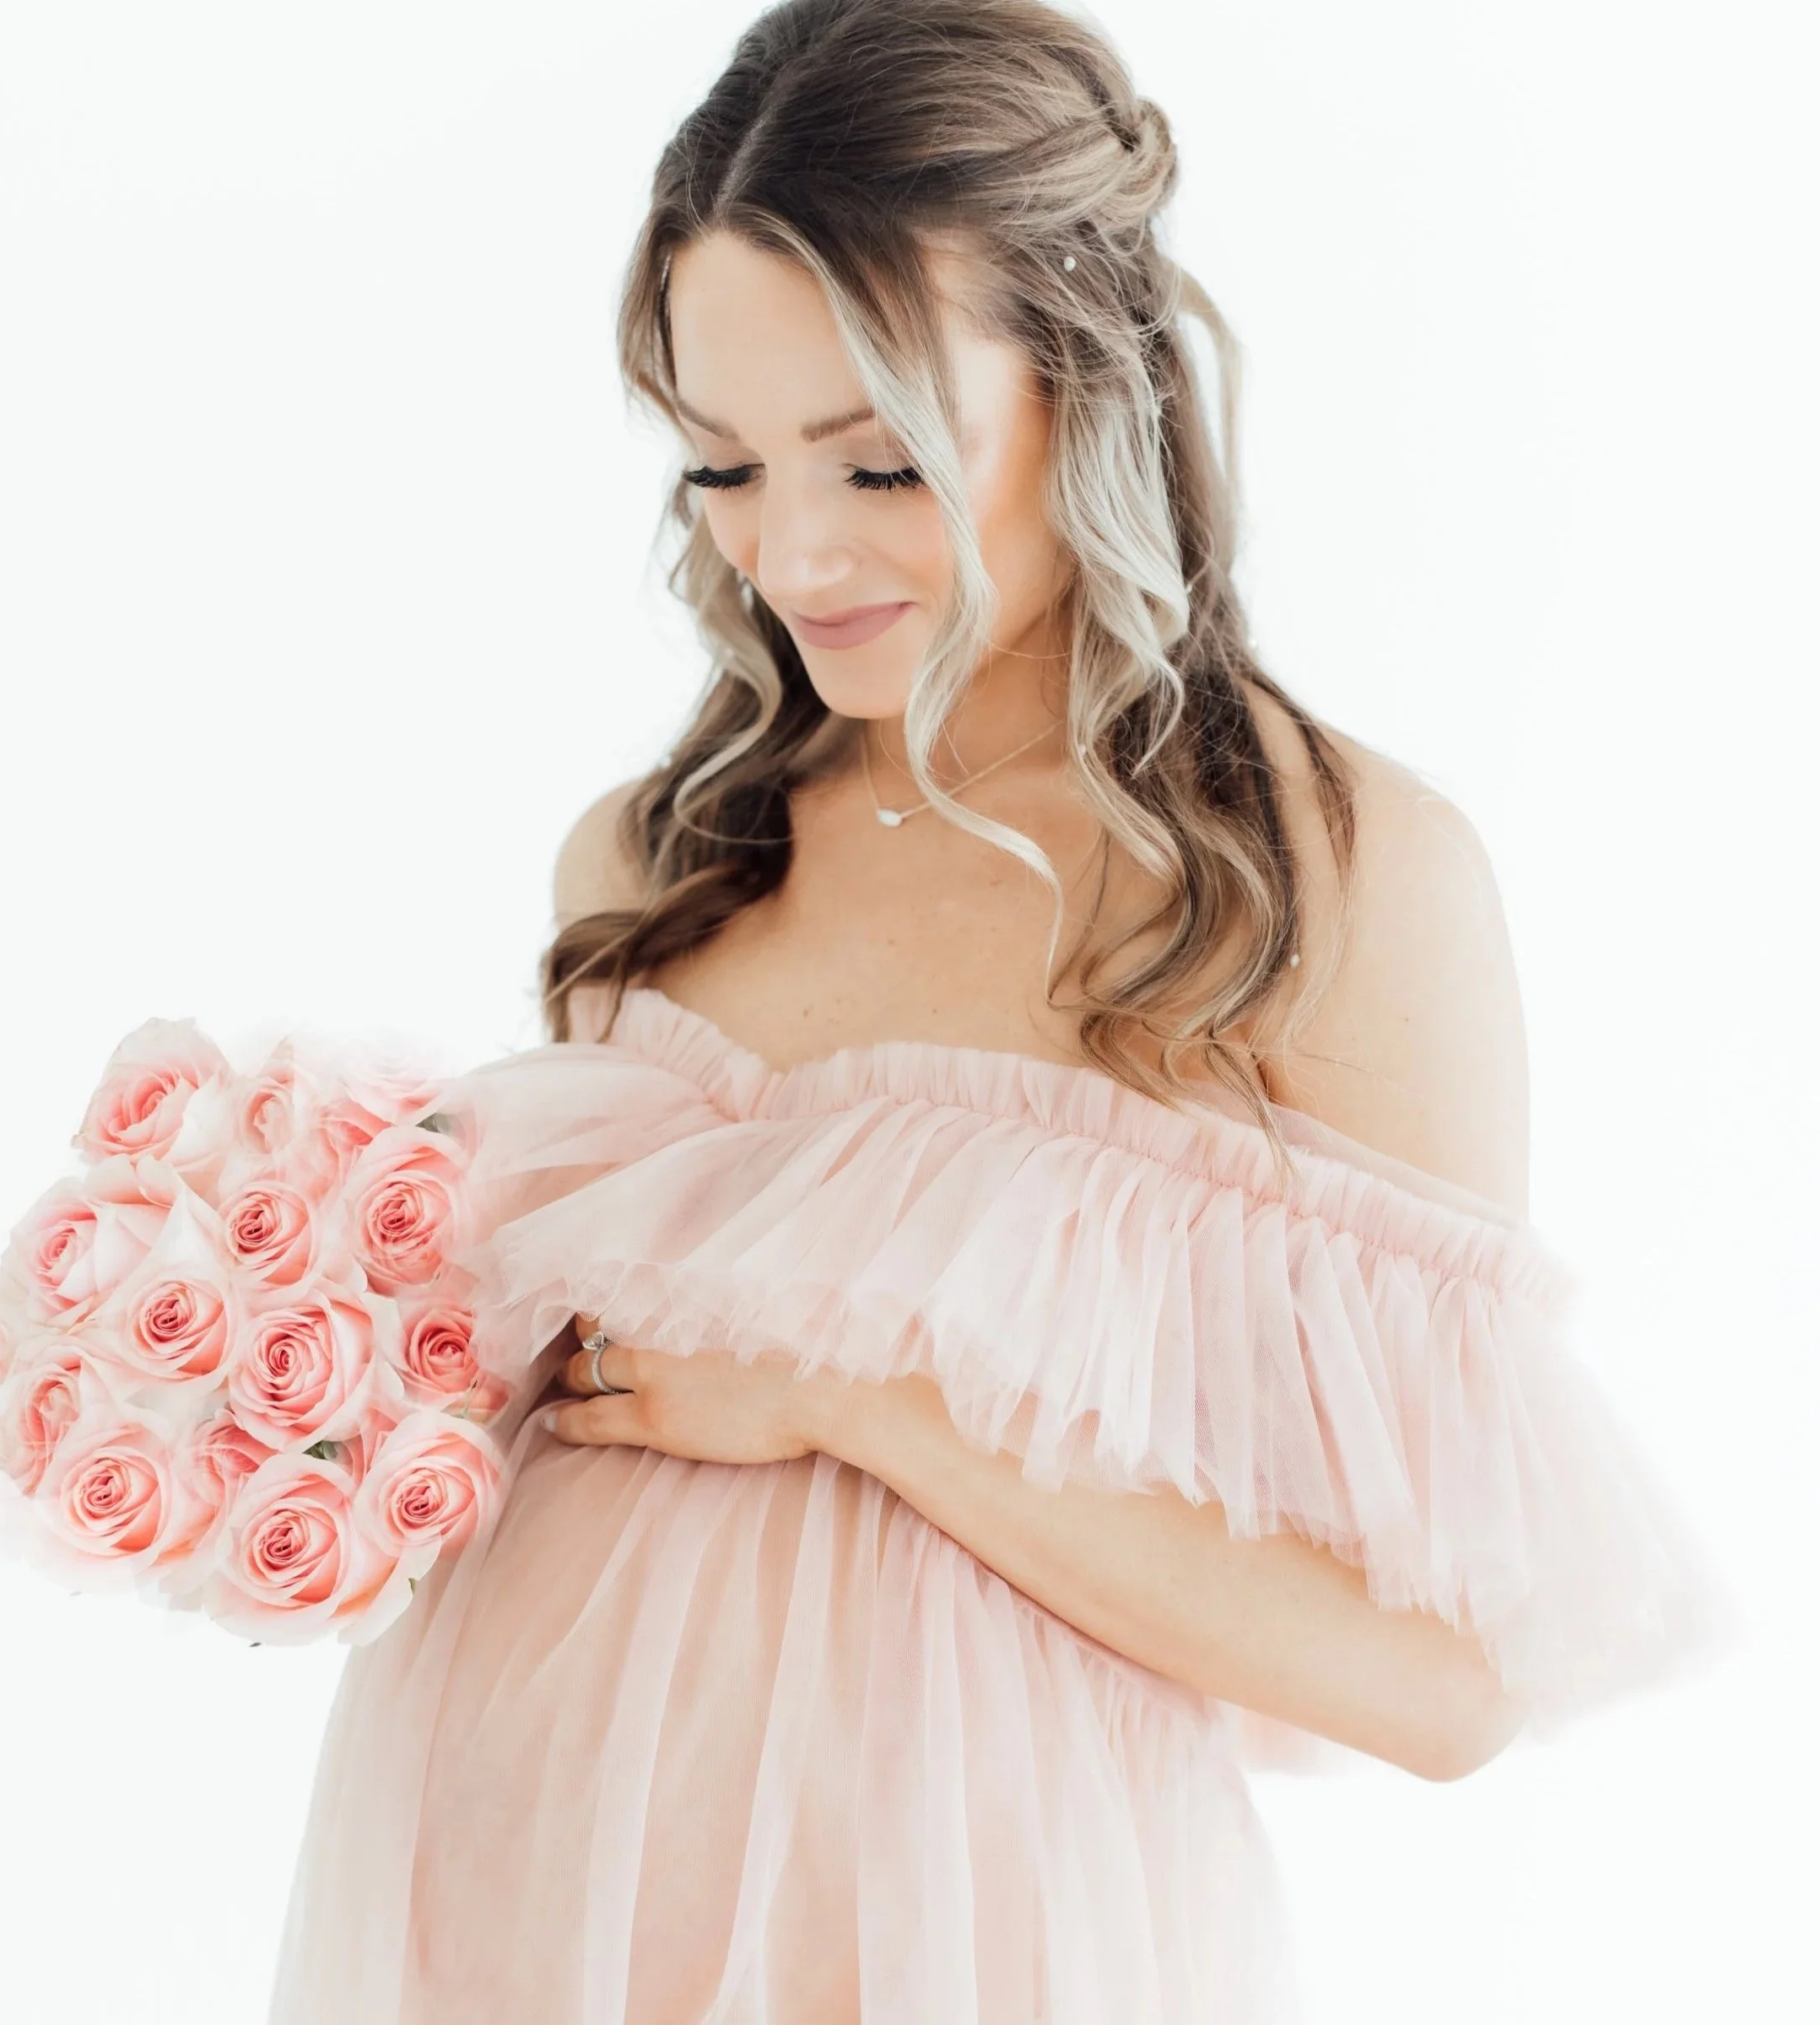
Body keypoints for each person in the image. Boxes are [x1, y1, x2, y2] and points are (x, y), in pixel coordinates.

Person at [268, 3, 1723, 2017]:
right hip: (519, 1900)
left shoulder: (1321, 880)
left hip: (979, 1945)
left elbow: (1437, 1684)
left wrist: (857, 1408)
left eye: (879, 458)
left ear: (1093, 381)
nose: (793, 550)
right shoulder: (652, 862)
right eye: (722, 463)